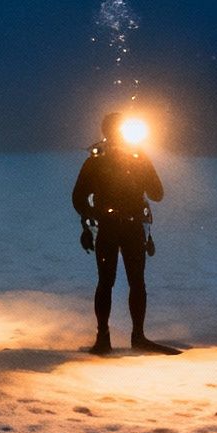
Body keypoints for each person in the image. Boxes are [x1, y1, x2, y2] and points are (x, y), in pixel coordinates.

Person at [72, 112, 181, 355]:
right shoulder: (99, 160)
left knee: (127, 282)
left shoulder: (131, 158)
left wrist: (141, 162)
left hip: (126, 227)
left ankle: (123, 337)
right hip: (114, 227)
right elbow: (78, 198)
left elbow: (157, 193)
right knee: (115, 282)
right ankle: (115, 337)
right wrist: (92, 218)